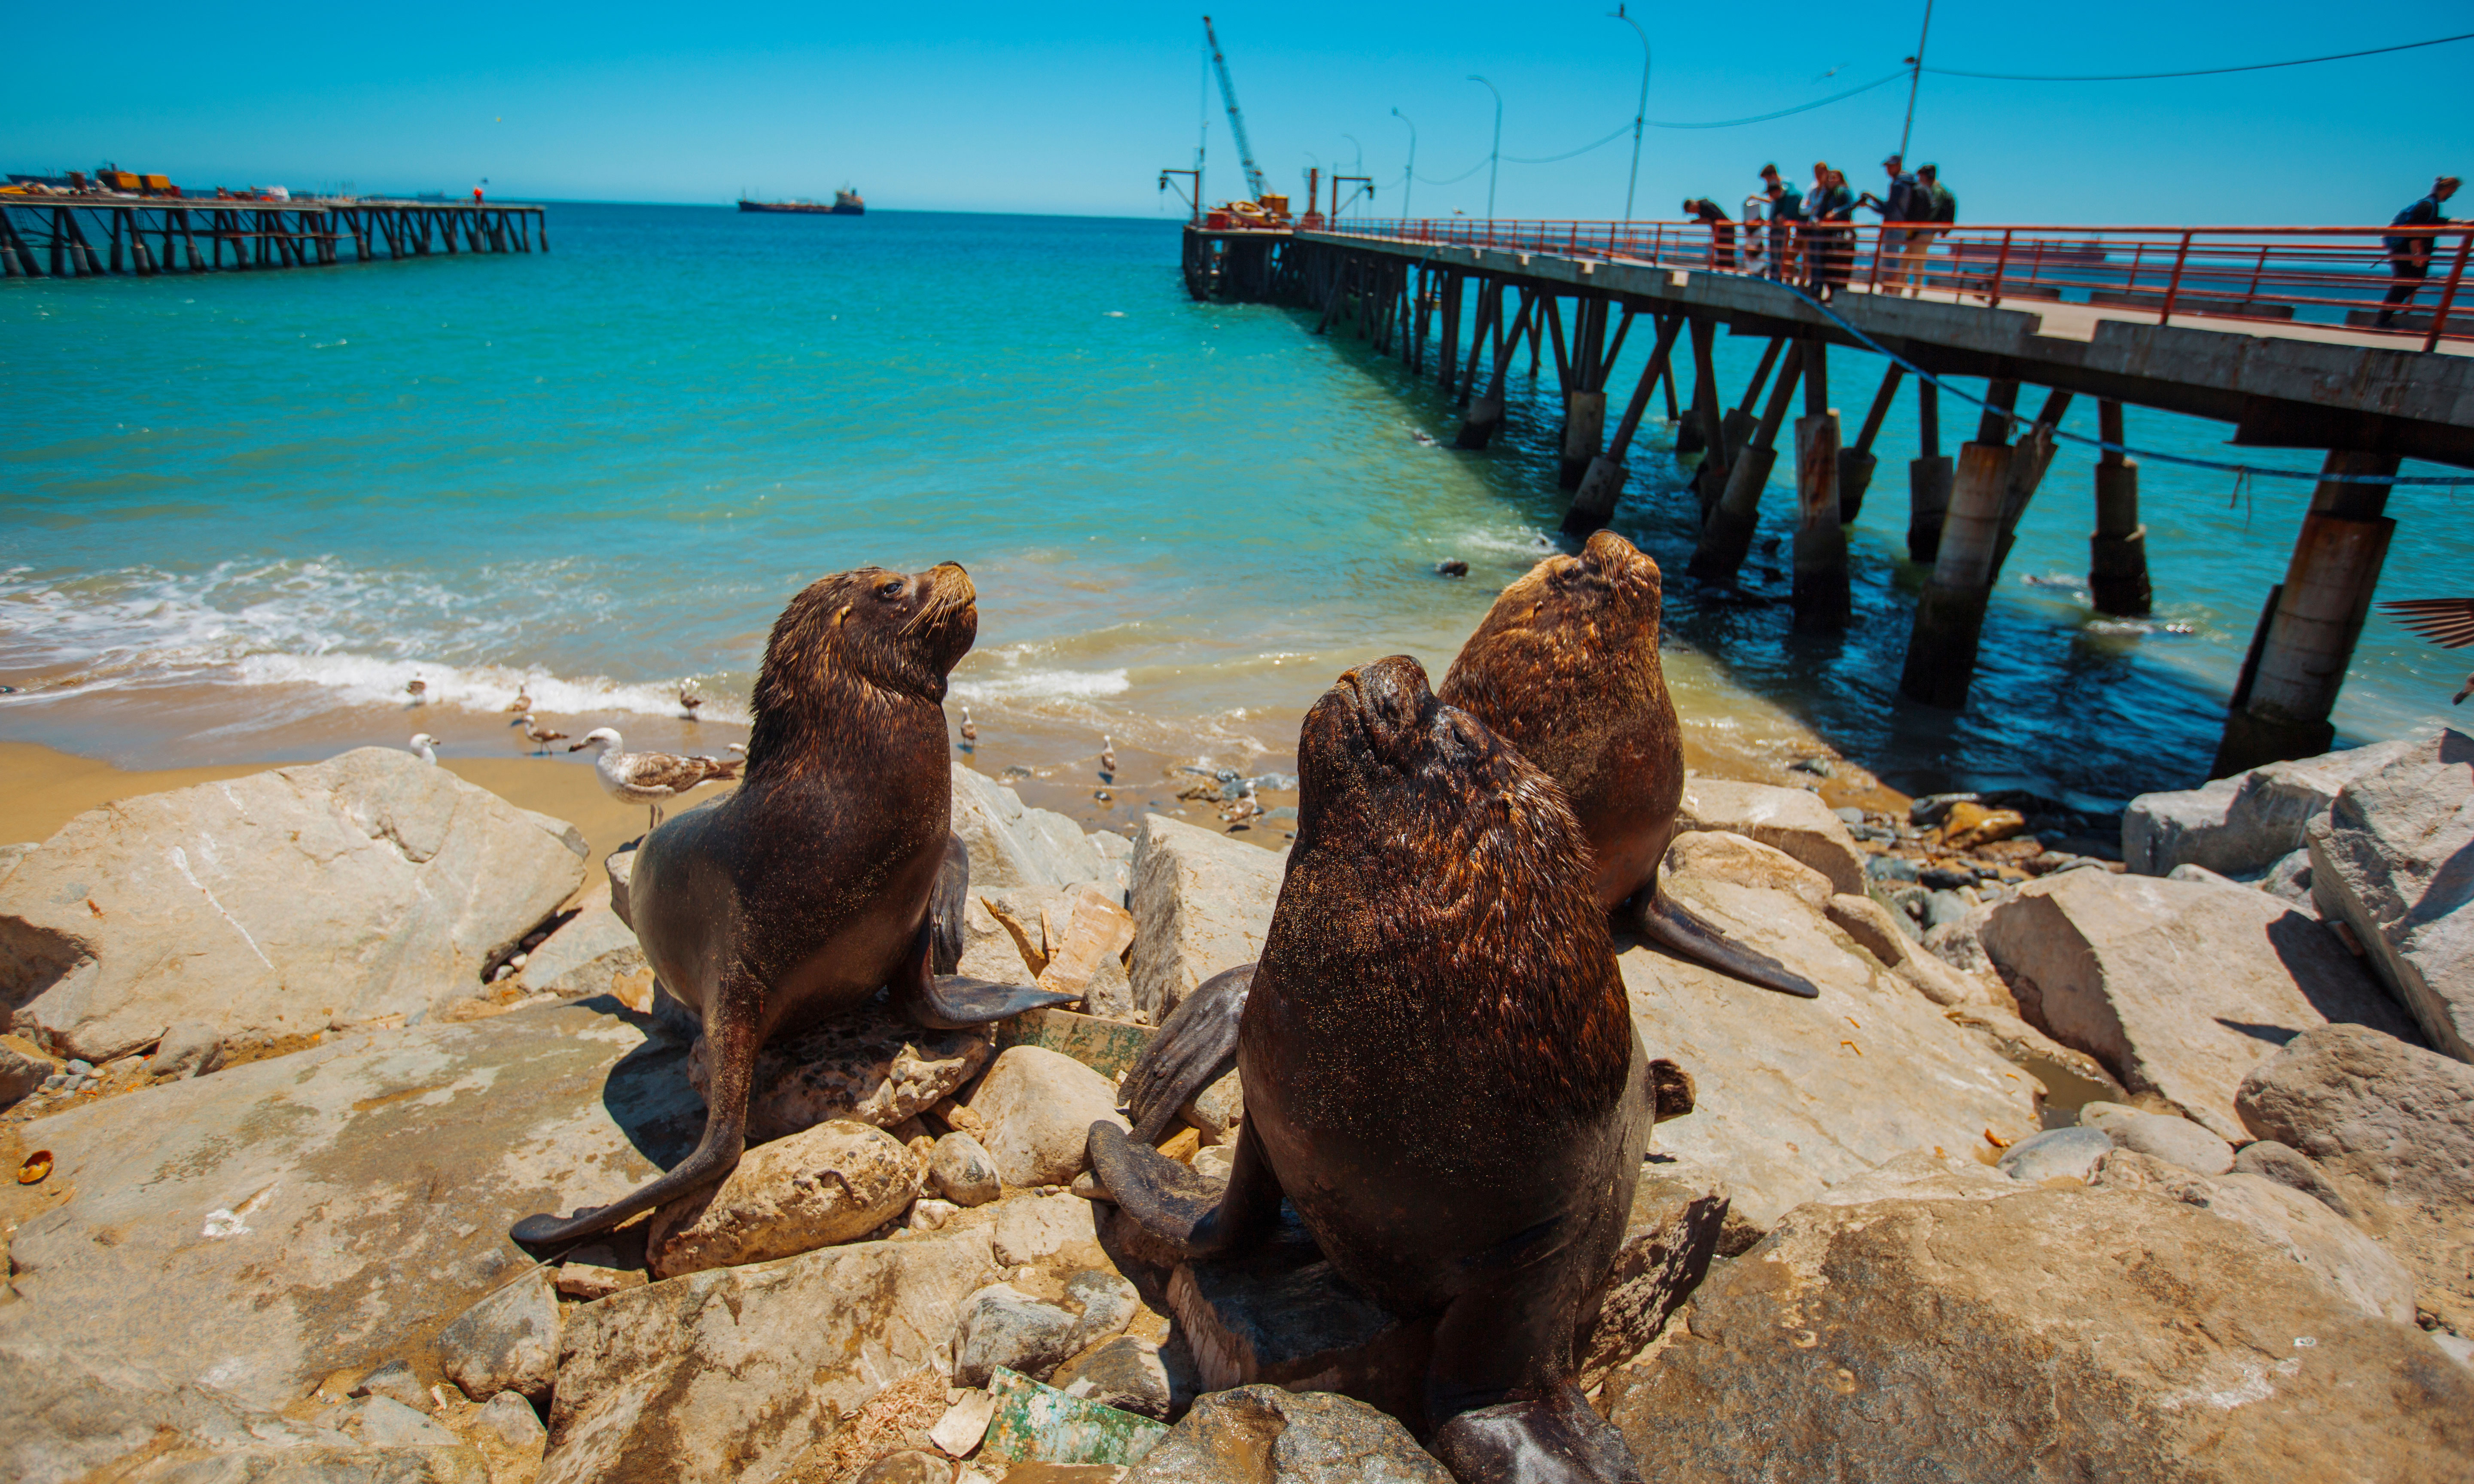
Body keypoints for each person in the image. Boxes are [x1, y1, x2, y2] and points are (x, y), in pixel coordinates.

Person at [2378, 175, 2460, 328]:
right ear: (2448, 189)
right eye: (2453, 191)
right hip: (2408, 252)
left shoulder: (2430, 204)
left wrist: (2461, 223)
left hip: (2405, 251)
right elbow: (2414, 231)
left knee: (2406, 284)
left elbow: (2437, 221)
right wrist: (2417, 255)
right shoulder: (2428, 206)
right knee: (2405, 285)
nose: (2452, 195)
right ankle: (2382, 320)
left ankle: (2384, 319)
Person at [1858, 153, 1921, 294]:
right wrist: (1873, 198)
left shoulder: (1899, 184)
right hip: (1901, 226)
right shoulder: (1907, 182)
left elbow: (1888, 209)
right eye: (1887, 167)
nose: (1888, 170)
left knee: (1890, 261)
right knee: (1892, 259)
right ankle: (1890, 290)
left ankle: (1889, 291)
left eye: (1891, 166)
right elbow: (1890, 206)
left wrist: (1869, 205)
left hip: (1895, 227)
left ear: (1898, 166)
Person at [1807, 165, 1856, 300]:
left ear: (1840, 179)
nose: (1831, 180)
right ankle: (1828, 292)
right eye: (1829, 178)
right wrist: (1816, 220)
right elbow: (1819, 212)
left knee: (1841, 267)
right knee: (1828, 266)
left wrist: (1836, 213)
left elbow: (1852, 205)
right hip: (1829, 238)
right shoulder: (1827, 195)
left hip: (1842, 237)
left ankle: (1838, 295)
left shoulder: (1844, 192)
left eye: (1834, 177)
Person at [1760, 163, 1802, 282]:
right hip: (1775, 226)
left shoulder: (1786, 186)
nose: (1767, 182)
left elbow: (1791, 202)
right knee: (1776, 254)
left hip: (1784, 228)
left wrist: (1784, 216)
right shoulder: (1775, 193)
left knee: (1784, 254)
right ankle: (1777, 277)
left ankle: (1784, 277)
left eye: (1767, 179)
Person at [1684, 198, 1736, 270]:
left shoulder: (1705, 206)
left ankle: (1731, 271)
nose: (1692, 214)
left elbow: (1714, 219)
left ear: (1692, 206)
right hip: (1721, 231)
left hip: (1727, 229)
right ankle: (1723, 271)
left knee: (1727, 253)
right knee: (1722, 254)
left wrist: (1699, 221)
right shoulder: (1701, 210)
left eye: (1690, 212)